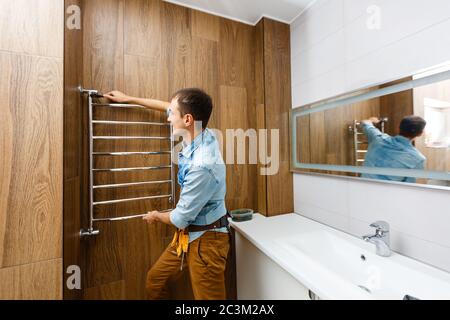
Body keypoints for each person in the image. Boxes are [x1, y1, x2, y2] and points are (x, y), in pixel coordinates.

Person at [104, 88, 230, 300]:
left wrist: (155, 215)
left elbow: (179, 218)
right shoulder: (201, 131)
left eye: (173, 114)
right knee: (155, 280)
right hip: (187, 235)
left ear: (187, 119)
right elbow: (166, 105)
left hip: (208, 241)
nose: (168, 118)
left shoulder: (203, 165)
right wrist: (129, 98)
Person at [361, 115, 427, 183]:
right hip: (387, 192)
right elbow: (409, 185)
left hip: (361, 188)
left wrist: (371, 120)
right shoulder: (418, 159)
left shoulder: (377, 138)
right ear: (420, 134)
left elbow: (365, 122)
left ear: (398, 127)